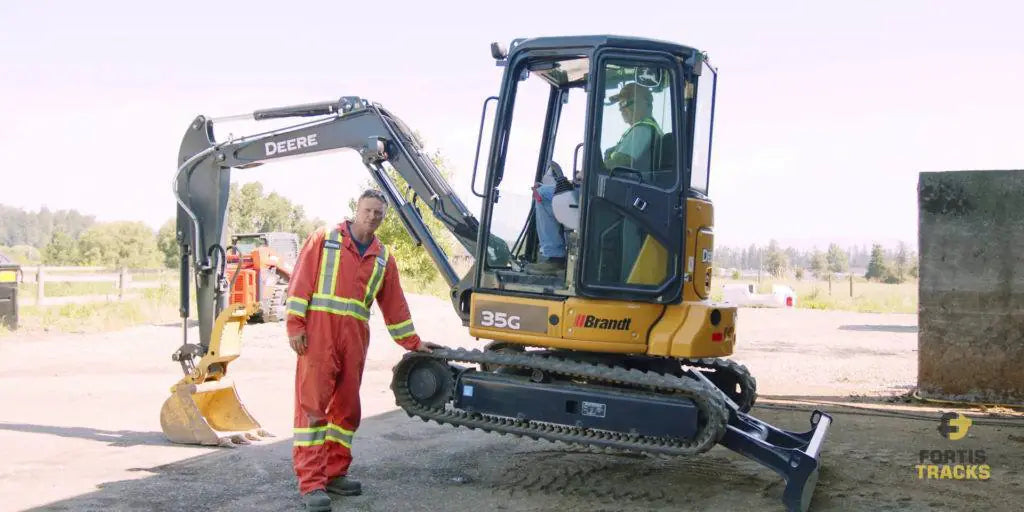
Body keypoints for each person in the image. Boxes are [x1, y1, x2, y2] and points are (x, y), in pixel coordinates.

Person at [284, 188, 437, 511]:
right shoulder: (324, 239)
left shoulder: (383, 257)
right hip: (319, 336)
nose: (372, 217)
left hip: (354, 338)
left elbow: (394, 306)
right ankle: (312, 484)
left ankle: (334, 474)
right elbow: (300, 284)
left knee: (347, 409)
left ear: (383, 217)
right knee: (313, 409)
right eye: (367, 210)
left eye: (378, 213)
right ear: (357, 209)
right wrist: (295, 326)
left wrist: (413, 342)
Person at [526, 82, 663, 275]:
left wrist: (588, 172)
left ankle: (555, 257)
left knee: (543, 194)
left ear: (645, 103)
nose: (622, 109)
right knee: (555, 191)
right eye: (620, 105)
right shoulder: (643, 129)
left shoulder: (643, 129)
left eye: (626, 103)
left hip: (615, 198)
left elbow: (620, 161)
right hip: (619, 193)